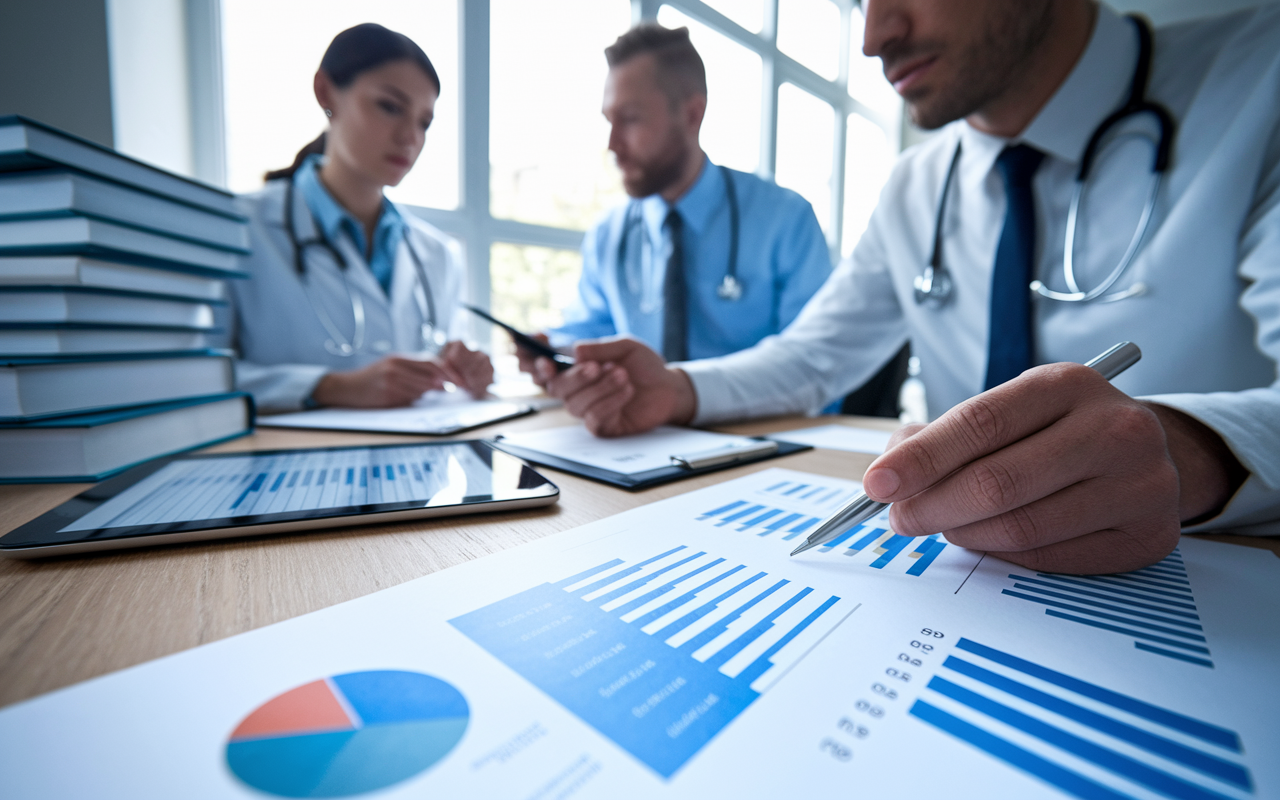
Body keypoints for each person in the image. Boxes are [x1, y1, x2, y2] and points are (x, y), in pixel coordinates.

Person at [528, 0, 1280, 575]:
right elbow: (814, 357)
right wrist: (676, 390)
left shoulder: (1260, 85)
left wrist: (1201, 451)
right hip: (973, 574)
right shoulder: (917, 182)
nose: (874, 34)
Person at [221, 23, 492, 412]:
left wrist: (471, 372)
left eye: (424, 122)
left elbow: (444, 375)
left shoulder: (436, 254)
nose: (409, 137)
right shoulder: (237, 226)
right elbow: (191, 378)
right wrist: (330, 387)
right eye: (390, 106)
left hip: (420, 466)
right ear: (326, 93)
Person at [536, 24, 832, 364]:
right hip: (639, 418)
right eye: (609, 121)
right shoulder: (608, 236)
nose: (613, 144)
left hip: (757, 418)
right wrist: (546, 349)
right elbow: (586, 333)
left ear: (692, 114)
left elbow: (816, 365)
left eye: (631, 119)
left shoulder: (786, 221)